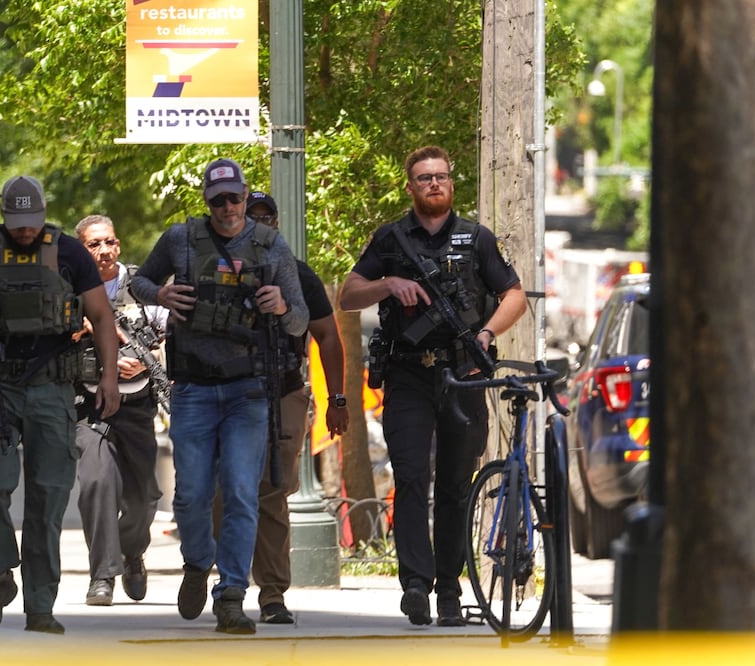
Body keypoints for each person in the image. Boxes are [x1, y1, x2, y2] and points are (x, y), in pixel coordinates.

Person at [337, 146, 527, 627]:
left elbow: (514, 294)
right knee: (411, 479)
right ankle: (416, 586)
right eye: (424, 178)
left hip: (463, 373)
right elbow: (347, 293)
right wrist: (387, 285)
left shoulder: (475, 238)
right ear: (411, 187)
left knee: (455, 487)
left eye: (441, 177)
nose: (434, 185)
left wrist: (487, 333)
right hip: (408, 375)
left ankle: (448, 588)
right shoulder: (391, 239)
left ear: (451, 184)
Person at [0, 175, 120, 635]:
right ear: (4, 215)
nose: (25, 231)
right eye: (17, 223)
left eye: (31, 222)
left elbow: (101, 315)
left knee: (48, 496)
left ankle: (40, 604)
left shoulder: (69, 252)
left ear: (42, 213)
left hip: (52, 388)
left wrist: (109, 377)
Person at [130, 158, 309, 635]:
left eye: (234, 198)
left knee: (241, 493)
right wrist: (161, 296)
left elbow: (300, 321)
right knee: (190, 495)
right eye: (218, 200)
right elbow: (138, 281)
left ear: (246, 196)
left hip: (248, 391)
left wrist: (283, 305)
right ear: (207, 202)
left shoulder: (270, 245)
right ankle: (196, 562)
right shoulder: (181, 239)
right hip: (192, 388)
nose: (227, 207)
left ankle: (231, 593)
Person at [243, 191, 349, 624]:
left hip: (284, 389)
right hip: (227, 393)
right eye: (253, 217)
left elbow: (328, 337)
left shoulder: (298, 275)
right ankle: (216, 576)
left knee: (272, 487)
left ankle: (272, 595)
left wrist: (337, 399)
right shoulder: (215, 268)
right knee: (217, 490)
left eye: (269, 216)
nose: (262, 224)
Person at [72, 214, 167, 607]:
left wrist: (147, 361)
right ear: (81, 249)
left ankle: (132, 552)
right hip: (88, 406)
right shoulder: (70, 287)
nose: (104, 250)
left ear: (120, 244)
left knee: (144, 497)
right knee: (97, 483)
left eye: (109, 242)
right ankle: (102, 576)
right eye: (93, 244)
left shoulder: (142, 288)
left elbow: (171, 337)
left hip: (137, 406)